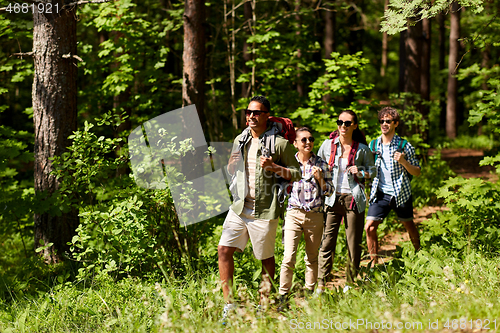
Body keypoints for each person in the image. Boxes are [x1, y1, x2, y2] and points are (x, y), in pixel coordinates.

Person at [218, 96, 301, 318]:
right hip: (239, 206)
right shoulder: (240, 140)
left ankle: (264, 304)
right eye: (249, 112)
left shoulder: (280, 144)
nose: (251, 116)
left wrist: (274, 167)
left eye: (256, 112)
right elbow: (233, 170)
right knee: (224, 250)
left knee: (265, 258)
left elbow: (297, 173)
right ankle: (230, 304)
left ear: (266, 116)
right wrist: (230, 165)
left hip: (265, 208)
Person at [317, 110, 374, 289]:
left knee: (353, 243)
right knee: (326, 242)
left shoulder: (362, 149)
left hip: (353, 198)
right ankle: (321, 284)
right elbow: (317, 164)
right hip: (332, 198)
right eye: (340, 122)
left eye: (347, 123)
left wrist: (362, 172)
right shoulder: (327, 146)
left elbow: (373, 171)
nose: (343, 126)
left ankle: (350, 283)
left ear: (354, 125)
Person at [277, 127, 333, 308]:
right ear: (295, 143)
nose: (308, 142)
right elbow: (278, 187)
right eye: (303, 140)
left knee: (312, 257)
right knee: (288, 257)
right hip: (293, 214)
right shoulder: (288, 163)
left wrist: (320, 179)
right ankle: (283, 297)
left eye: (311, 139)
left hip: (315, 216)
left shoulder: (322, 164)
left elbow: (330, 191)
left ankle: (310, 293)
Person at [365, 106, 421, 264]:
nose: (384, 124)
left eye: (388, 121)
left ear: (396, 123)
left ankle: (420, 256)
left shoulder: (404, 145)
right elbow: (369, 169)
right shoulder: (374, 145)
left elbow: (417, 171)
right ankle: (373, 265)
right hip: (380, 193)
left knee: (409, 225)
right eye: (381, 121)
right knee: (369, 227)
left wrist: (403, 162)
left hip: (401, 193)